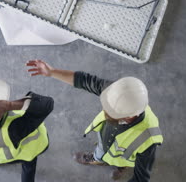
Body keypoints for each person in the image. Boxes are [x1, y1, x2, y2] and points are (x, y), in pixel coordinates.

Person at [26, 59, 163, 182]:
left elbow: (141, 179)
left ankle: (120, 167)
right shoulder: (117, 93)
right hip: (105, 141)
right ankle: (97, 159)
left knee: (121, 162)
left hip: (122, 156)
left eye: (111, 111)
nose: (105, 111)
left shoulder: (148, 139)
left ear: (129, 115)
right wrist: (52, 72)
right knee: (100, 151)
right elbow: (85, 80)